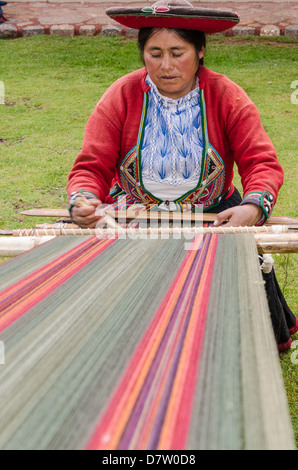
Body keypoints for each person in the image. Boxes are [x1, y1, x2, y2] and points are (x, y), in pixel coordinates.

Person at [67, 0, 297, 350]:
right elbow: (90, 166)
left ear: (200, 50)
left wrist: (252, 208)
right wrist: (83, 199)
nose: (166, 66)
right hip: (134, 215)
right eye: (154, 53)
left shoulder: (227, 96)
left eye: (178, 52)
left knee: (225, 333)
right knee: (122, 330)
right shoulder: (121, 96)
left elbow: (261, 163)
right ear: (142, 54)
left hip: (215, 215)